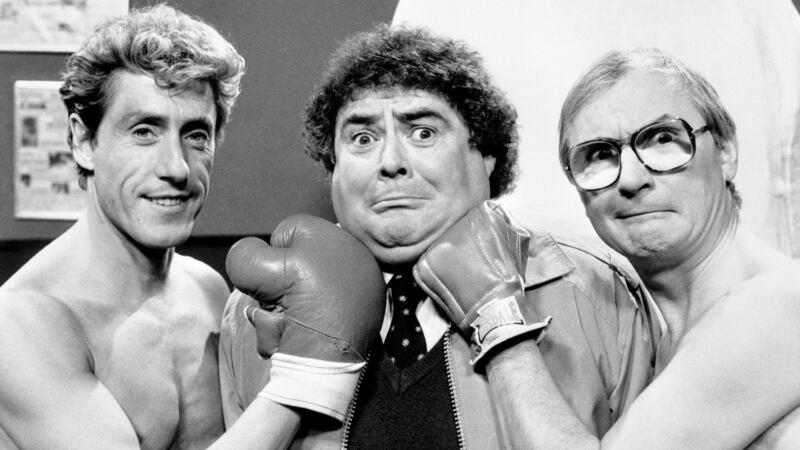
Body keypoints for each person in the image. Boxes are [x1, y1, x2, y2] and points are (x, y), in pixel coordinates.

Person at [219, 25, 661, 448]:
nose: (390, 161)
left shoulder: (596, 290)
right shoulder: (255, 311)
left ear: (486, 153)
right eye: (362, 137)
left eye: (423, 132)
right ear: (332, 165)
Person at [487, 48, 800, 448]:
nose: (631, 179)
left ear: (725, 152)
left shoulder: (773, 309)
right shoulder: (654, 344)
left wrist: (497, 324)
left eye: (662, 139)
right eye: (600, 154)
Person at [0, 5, 244, 448]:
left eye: (196, 135)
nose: (177, 168)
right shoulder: (18, 324)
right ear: (82, 140)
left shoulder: (211, 292)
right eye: (144, 131)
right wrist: (304, 384)